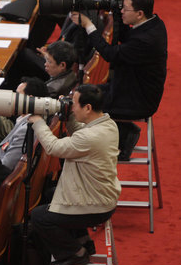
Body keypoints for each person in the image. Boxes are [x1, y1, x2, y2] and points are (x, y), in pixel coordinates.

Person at [70, 0, 168, 160]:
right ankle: (124, 131)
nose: (122, 11)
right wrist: (116, 6)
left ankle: (122, 136)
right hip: (128, 86)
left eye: (125, 9)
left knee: (85, 104)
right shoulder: (153, 23)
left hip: (138, 100)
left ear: (139, 14)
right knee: (83, 93)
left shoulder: (145, 40)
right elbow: (124, 34)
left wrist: (89, 26)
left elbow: (109, 53)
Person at [28, 84, 120, 265]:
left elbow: (54, 147)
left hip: (94, 205)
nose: (72, 106)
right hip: (102, 196)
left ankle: (74, 254)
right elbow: (80, 134)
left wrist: (38, 122)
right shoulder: (108, 124)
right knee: (50, 194)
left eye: (75, 104)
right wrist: (69, 114)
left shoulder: (90, 137)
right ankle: (82, 241)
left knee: (39, 217)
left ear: (88, 108)